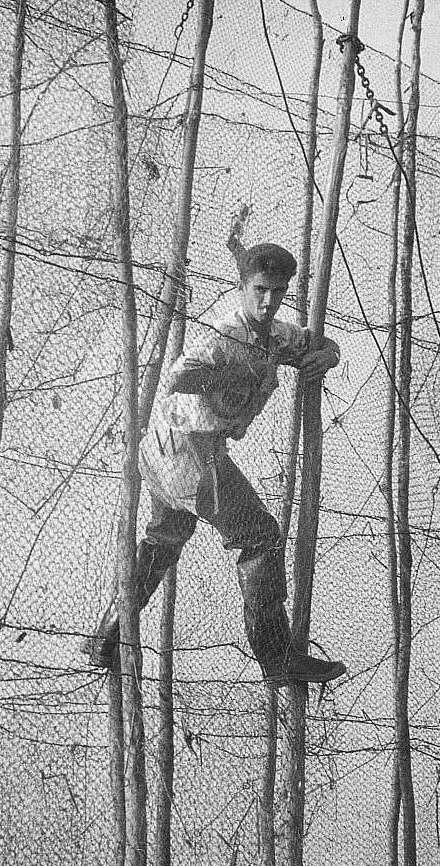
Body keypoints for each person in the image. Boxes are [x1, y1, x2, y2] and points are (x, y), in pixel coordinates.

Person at [82, 242, 347, 687]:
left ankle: (107, 634)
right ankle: (276, 657)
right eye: (260, 290)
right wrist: (233, 374)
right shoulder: (224, 335)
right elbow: (180, 376)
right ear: (242, 286)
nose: (268, 301)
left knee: (165, 538)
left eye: (278, 292)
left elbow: (314, 341)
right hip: (185, 449)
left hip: (170, 451)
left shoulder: (275, 335)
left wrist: (330, 353)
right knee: (259, 534)